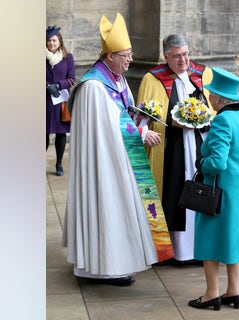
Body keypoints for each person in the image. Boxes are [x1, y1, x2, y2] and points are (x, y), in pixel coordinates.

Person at [62, 13, 173, 286]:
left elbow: (121, 115)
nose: (130, 60)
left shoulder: (118, 79)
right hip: (103, 164)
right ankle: (101, 269)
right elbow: (105, 130)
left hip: (119, 160)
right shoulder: (94, 87)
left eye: (130, 54)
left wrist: (141, 121)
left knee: (117, 210)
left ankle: (114, 263)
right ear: (108, 56)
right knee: (105, 207)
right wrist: (140, 133)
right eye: (125, 55)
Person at [136, 34, 213, 265]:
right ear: (166, 56)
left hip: (201, 144)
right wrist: (169, 123)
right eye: (177, 56)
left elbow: (216, 107)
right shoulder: (153, 79)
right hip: (172, 150)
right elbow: (144, 117)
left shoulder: (202, 73)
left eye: (186, 54)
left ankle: (203, 247)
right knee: (175, 194)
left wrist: (204, 118)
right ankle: (177, 250)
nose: (184, 60)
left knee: (204, 192)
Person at [187, 67, 239, 310]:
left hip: (222, 192)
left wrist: (200, 163)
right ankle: (233, 292)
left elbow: (217, 162)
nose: (209, 98)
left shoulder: (222, 120)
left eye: (210, 94)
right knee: (233, 240)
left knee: (211, 241)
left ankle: (211, 294)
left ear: (218, 98)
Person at [46, 25, 76, 176]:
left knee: (61, 134)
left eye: (54, 40)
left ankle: (58, 164)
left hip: (61, 102)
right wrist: (46, 86)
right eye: (49, 41)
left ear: (60, 41)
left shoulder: (67, 58)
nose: (51, 43)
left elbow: (72, 79)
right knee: (42, 134)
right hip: (44, 102)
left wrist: (58, 85)